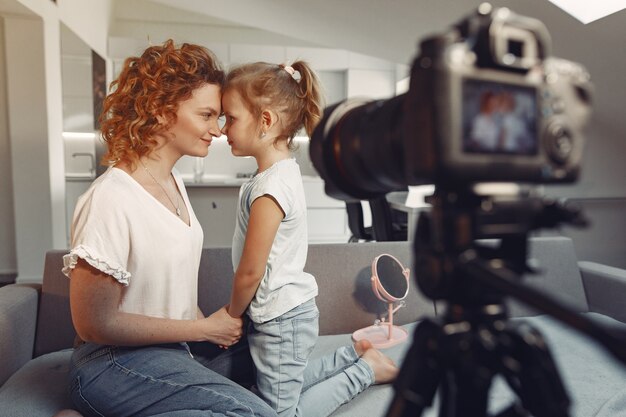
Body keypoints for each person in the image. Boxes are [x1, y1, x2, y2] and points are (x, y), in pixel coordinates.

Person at [62, 40, 277, 417]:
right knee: (253, 413)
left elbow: (171, 286)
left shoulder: (173, 182)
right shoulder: (111, 198)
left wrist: (213, 327)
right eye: (207, 115)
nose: (218, 129)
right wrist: (204, 330)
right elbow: (94, 324)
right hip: (110, 364)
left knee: (274, 361)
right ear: (161, 112)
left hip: (173, 353)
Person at [220, 61, 398, 417]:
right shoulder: (276, 175)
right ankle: (355, 355)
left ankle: (365, 371)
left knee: (283, 414)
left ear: (266, 122)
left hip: (281, 318)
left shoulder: (271, 188)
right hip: (281, 314)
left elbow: (251, 272)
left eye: (231, 117)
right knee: (287, 383)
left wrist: (231, 314)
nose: (224, 128)